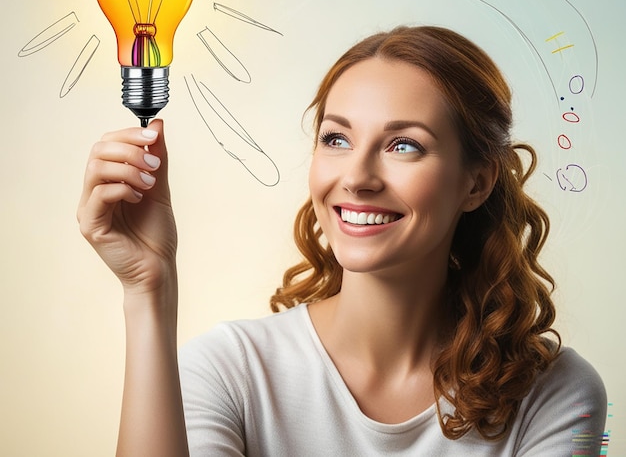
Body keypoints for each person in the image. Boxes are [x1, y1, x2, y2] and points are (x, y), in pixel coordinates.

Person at [78, 25, 607, 456]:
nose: (357, 177)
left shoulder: (559, 395)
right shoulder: (228, 370)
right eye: (336, 138)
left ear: (478, 182)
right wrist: (148, 292)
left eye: (404, 145)